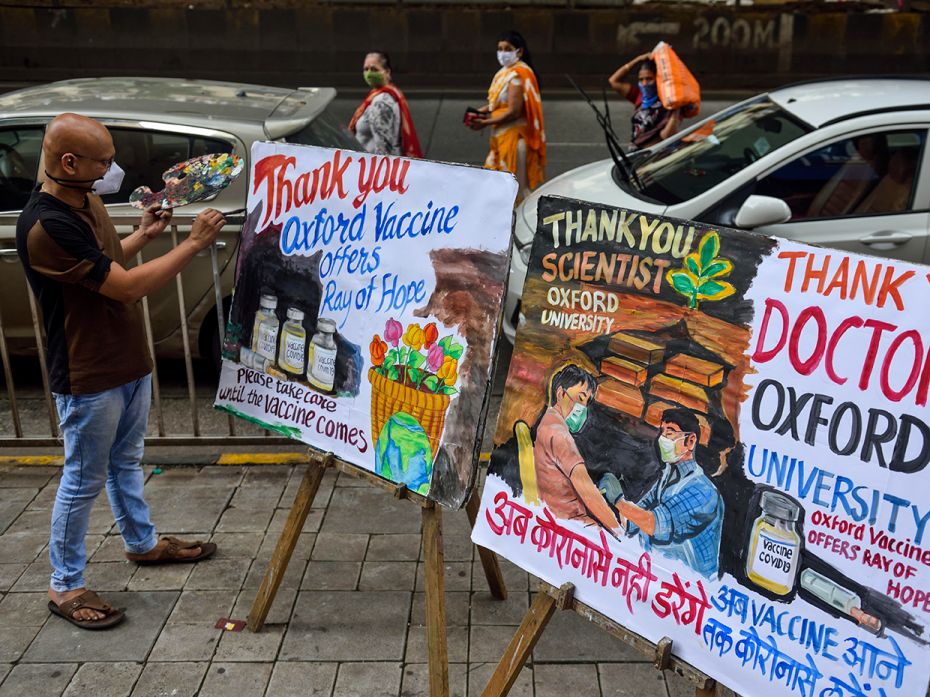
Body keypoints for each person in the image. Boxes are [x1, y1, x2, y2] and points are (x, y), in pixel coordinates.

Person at [16, 113, 227, 630]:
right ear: (70, 162)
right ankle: (64, 584)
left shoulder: (84, 199)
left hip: (128, 358)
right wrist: (193, 243)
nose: (114, 169)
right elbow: (126, 287)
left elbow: (104, 264)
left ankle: (142, 543)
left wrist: (143, 236)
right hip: (89, 373)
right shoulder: (47, 225)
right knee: (82, 479)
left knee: (127, 462)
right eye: (104, 160)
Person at [603, 408, 723, 577]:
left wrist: (618, 500)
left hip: (691, 588)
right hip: (654, 573)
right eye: (662, 432)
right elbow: (633, 521)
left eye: (671, 433)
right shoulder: (667, 475)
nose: (662, 439)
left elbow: (655, 524)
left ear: (690, 441)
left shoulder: (703, 491)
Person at [533, 364, 623, 535]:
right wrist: (619, 534)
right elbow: (587, 490)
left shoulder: (548, 423)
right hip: (572, 524)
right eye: (580, 398)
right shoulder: (559, 435)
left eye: (587, 402)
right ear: (560, 393)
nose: (583, 408)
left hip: (558, 516)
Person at [467, 30, 546, 204]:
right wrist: (480, 112)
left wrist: (485, 122)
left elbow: (513, 112)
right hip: (499, 139)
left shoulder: (517, 75)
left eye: (507, 49)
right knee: (495, 186)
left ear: (519, 51)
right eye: (500, 48)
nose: (502, 53)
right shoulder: (505, 72)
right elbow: (496, 104)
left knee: (513, 192)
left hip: (514, 142)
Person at [348, 51, 423, 158]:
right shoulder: (385, 94)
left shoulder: (381, 103)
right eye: (366, 69)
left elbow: (383, 151)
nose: (369, 73)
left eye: (374, 69)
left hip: (372, 168)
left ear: (387, 72)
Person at [609, 53, 682, 150]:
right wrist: (637, 60)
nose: (645, 83)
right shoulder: (639, 96)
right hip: (635, 153)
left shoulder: (669, 100)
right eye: (641, 79)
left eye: (649, 79)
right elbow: (613, 81)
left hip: (657, 155)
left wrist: (676, 110)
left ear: (658, 79)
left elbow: (667, 135)